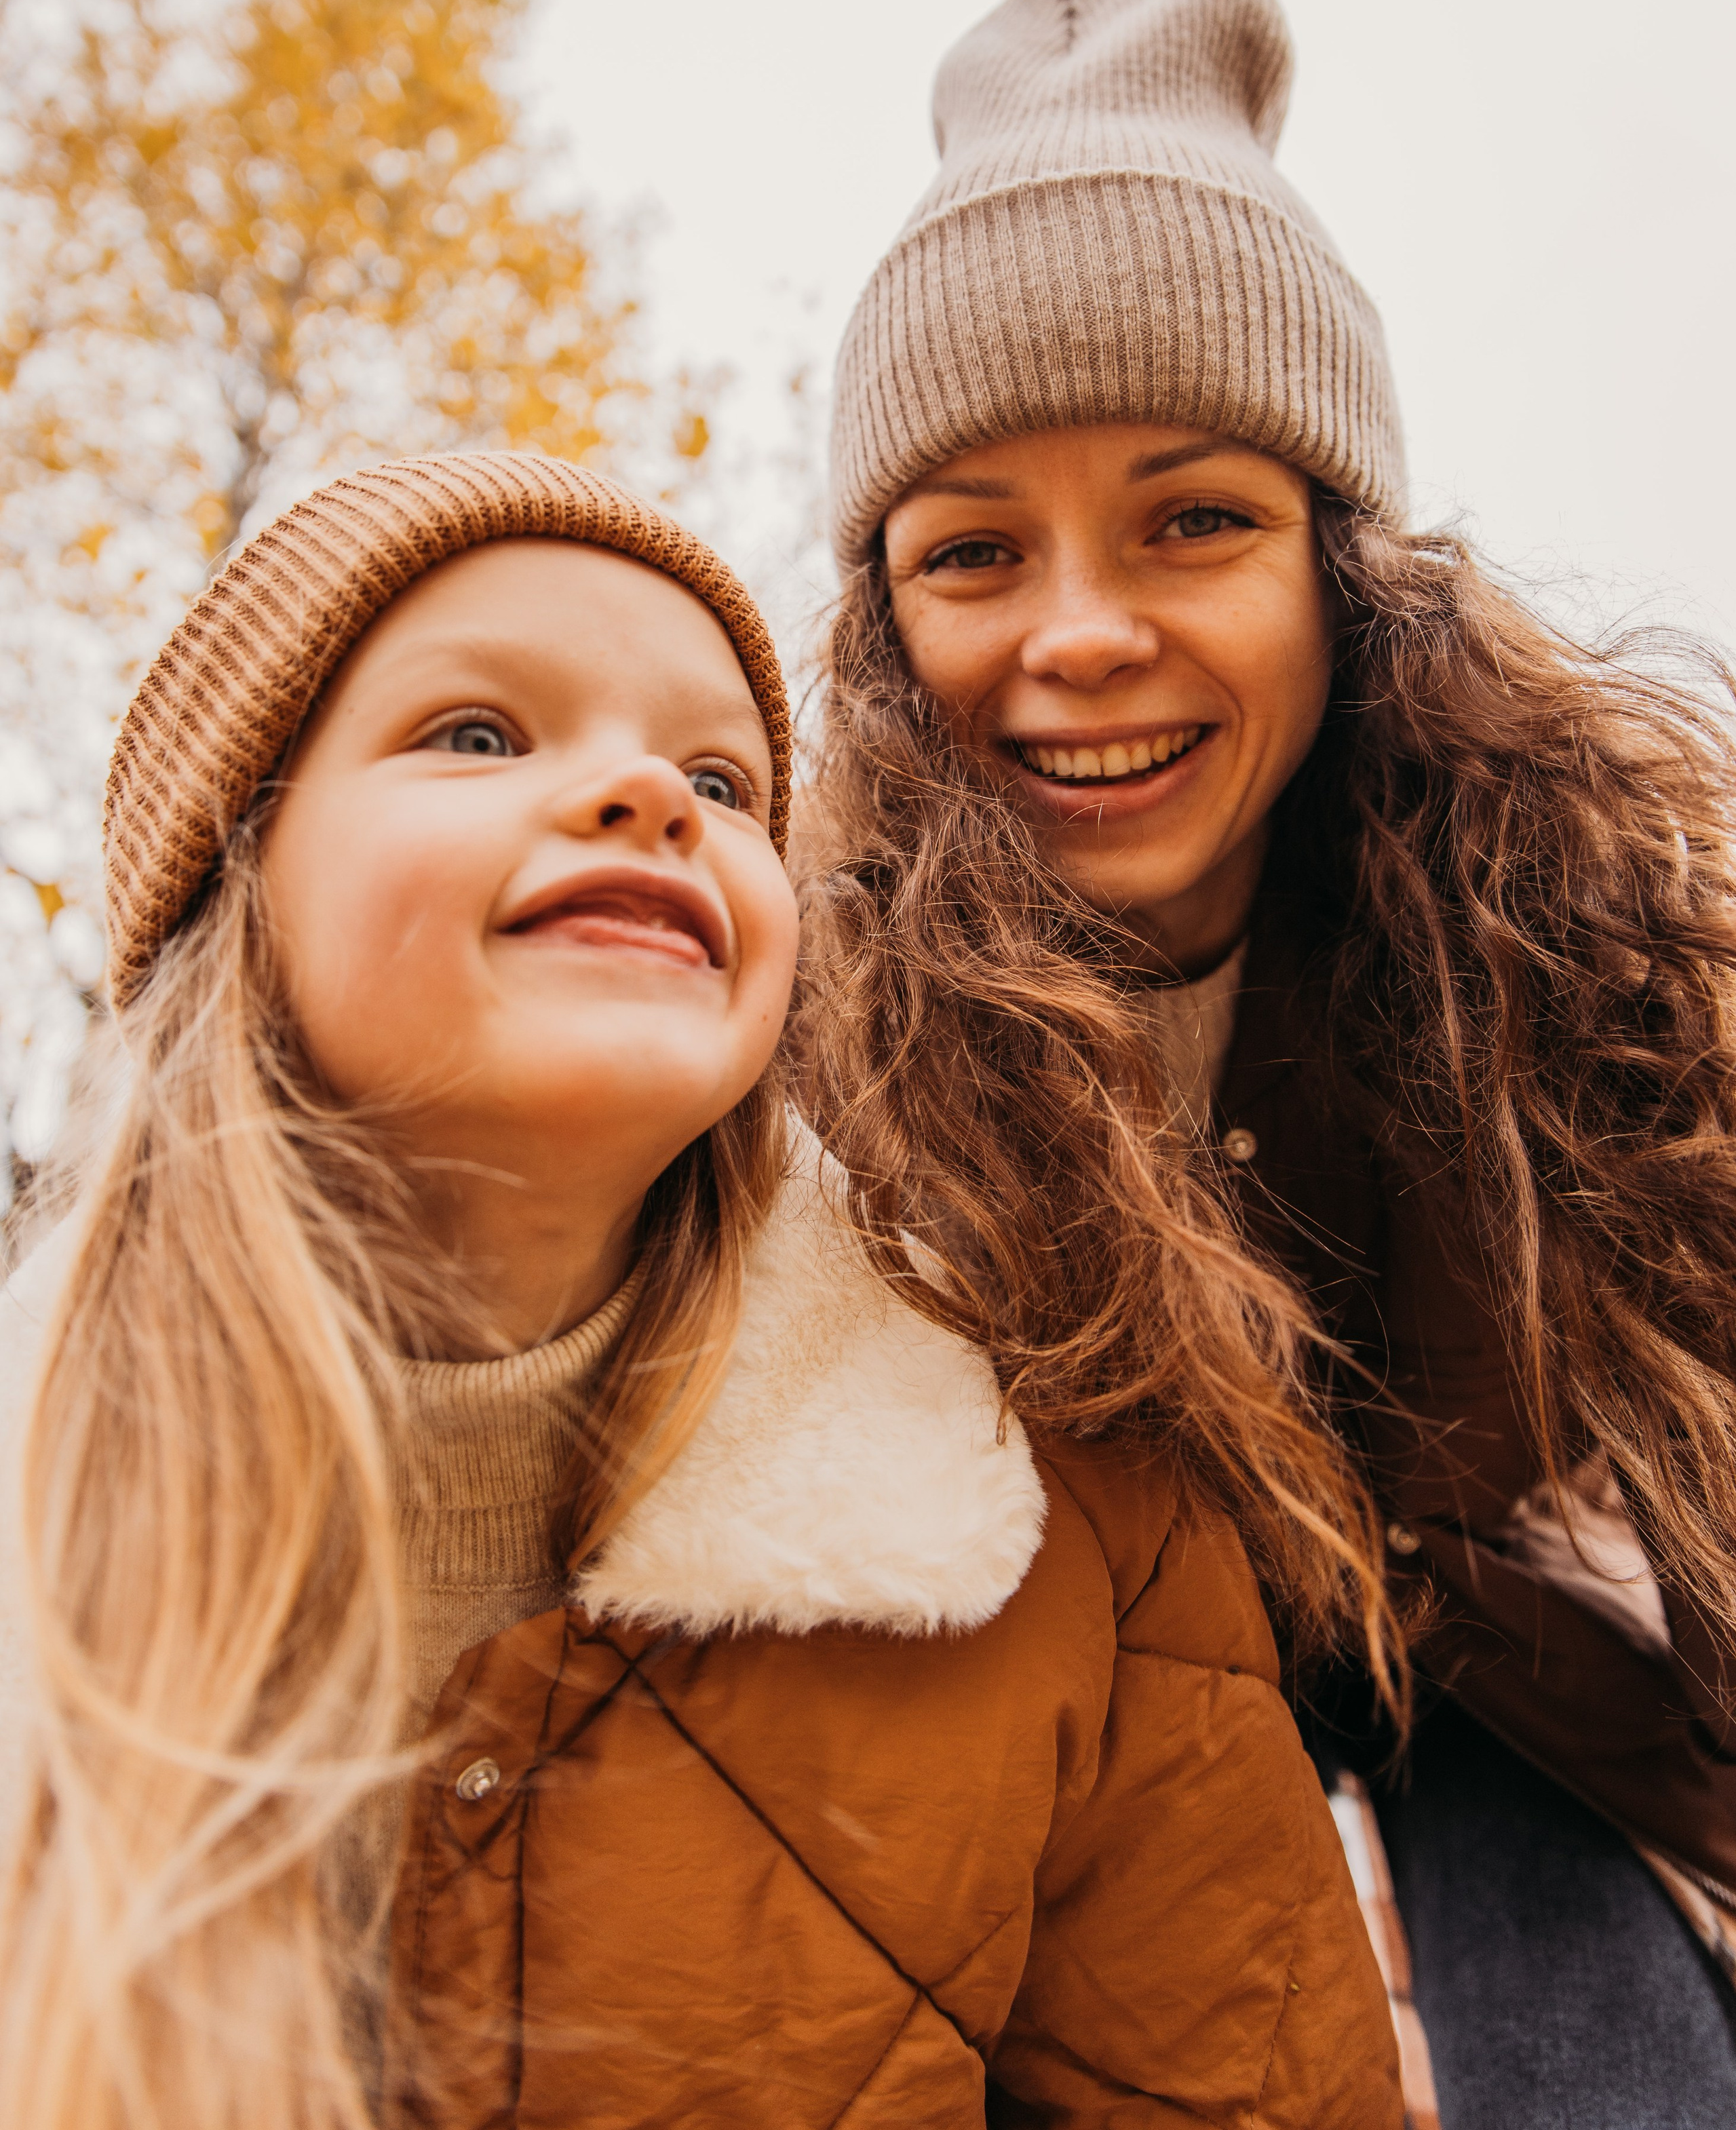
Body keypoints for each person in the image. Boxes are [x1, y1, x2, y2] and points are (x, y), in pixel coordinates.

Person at [0, 450, 1402, 2129]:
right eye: (476, 734)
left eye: (724, 783)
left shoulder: (1073, 1520)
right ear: (236, 885)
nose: (651, 798)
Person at [801, 0, 1736, 2129]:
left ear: (1342, 563)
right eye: (971, 553)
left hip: (1512, 1755)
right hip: (1027, 1799)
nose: (1084, 634)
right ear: (878, 618)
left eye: (1196, 519)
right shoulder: (802, 1052)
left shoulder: (1572, 957)